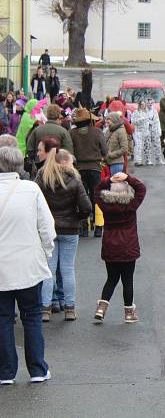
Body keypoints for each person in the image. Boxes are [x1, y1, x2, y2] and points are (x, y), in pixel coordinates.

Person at [0, 145, 56, 384]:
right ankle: (37, 369)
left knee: (3, 319)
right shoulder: (30, 189)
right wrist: (46, 252)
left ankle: (5, 372)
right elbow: (47, 227)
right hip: (27, 265)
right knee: (32, 316)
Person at [35, 149, 91, 322]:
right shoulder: (74, 180)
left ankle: (45, 308)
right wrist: (77, 218)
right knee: (67, 269)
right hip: (70, 229)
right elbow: (87, 207)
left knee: (48, 269)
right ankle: (70, 308)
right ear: (67, 161)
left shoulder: (43, 178)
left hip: (49, 229)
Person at [93, 172, 146, 324]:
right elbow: (141, 188)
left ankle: (101, 308)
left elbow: (97, 190)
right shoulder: (131, 204)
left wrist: (108, 180)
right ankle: (129, 313)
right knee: (128, 280)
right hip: (128, 247)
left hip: (110, 246)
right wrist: (128, 178)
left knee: (111, 278)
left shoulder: (105, 204)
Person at [70, 108, 107, 237]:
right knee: (96, 197)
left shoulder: (72, 133)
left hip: (79, 169)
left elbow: (70, 152)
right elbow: (105, 150)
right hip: (95, 168)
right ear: (90, 120)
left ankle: (84, 228)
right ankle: (98, 227)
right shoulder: (97, 132)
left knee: (82, 197)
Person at [105, 111, 129, 176]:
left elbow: (124, 148)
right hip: (108, 162)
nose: (106, 121)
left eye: (108, 119)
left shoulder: (121, 131)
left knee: (115, 184)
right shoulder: (109, 130)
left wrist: (111, 155)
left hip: (116, 163)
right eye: (106, 119)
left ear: (113, 119)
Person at [145, 99, 163, 164]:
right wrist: (148, 122)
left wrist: (159, 129)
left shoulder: (154, 111)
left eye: (151, 103)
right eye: (149, 103)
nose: (150, 104)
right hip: (147, 130)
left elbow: (158, 121)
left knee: (157, 144)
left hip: (155, 129)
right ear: (146, 104)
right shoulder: (144, 111)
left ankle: (158, 160)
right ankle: (148, 160)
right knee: (147, 145)